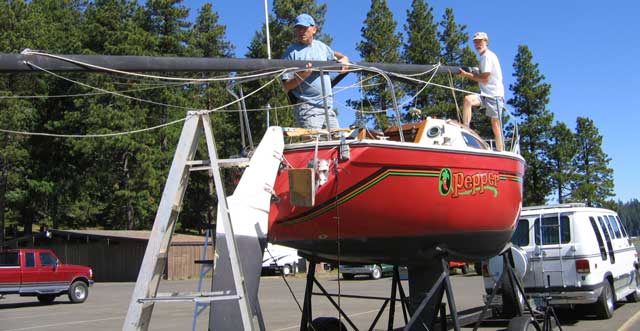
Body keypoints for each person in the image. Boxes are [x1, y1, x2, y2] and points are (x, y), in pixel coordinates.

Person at [282, 13, 349, 130]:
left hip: (328, 108)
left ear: (314, 29)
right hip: (307, 108)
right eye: (298, 29)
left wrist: (344, 59)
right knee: (314, 145)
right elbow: (286, 85)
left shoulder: (321, 47)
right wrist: (304, 75)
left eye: (304, 28)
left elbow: (335, 54)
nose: (301, 32)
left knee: (339, 144)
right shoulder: (290, 53)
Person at [458, 32, 505, 152]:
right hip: (485, 94)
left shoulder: (487, 56)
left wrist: (467, 74)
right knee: (468, 100)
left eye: (480, 41)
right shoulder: (485, 57)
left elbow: (485, 79)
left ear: (486, 42)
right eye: (475, 42)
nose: (478, 44)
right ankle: (466, 129)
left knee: (495, 124)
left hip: (495, 95)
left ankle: (501, 150)